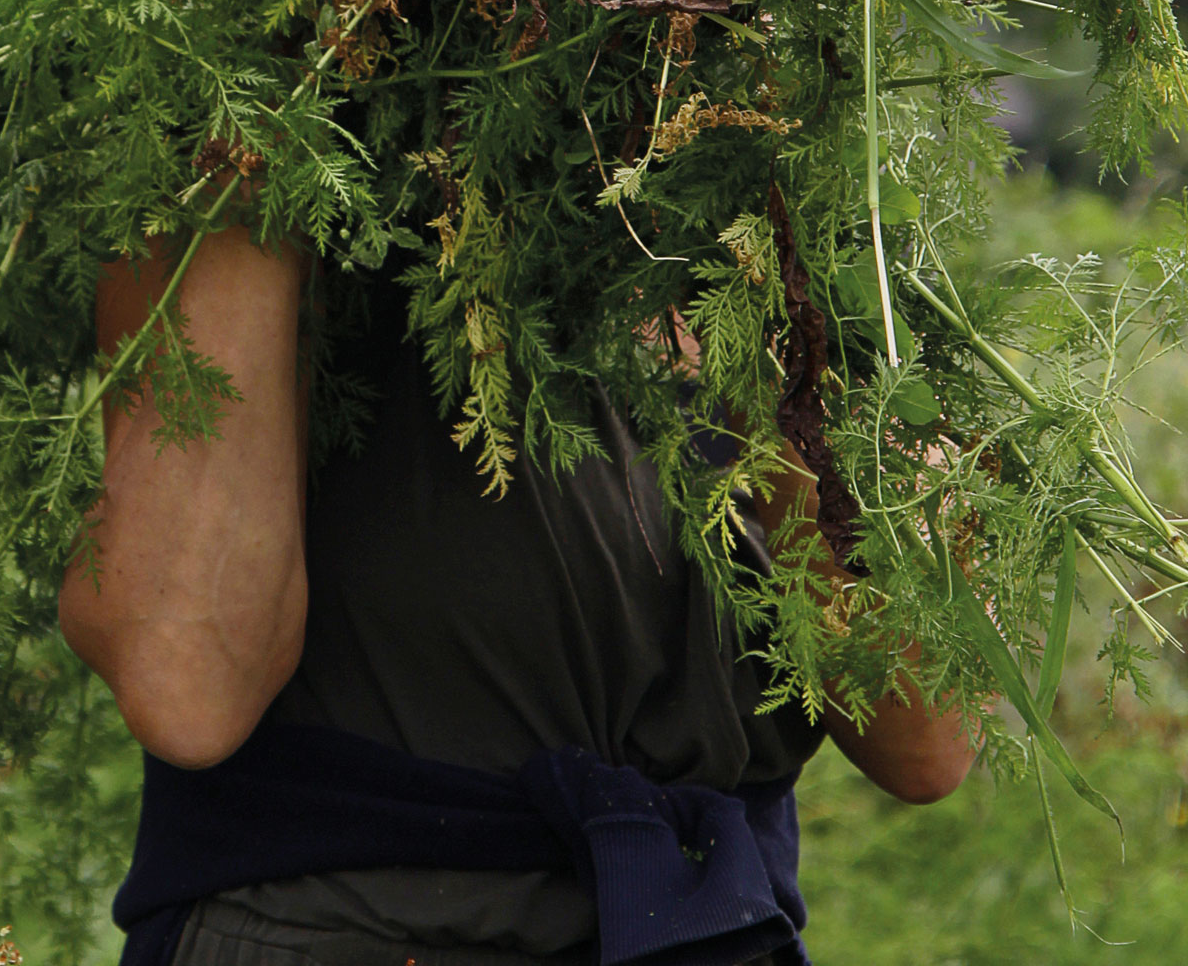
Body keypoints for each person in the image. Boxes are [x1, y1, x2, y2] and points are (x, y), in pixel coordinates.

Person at [60, 220, 977, 966]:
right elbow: (184, 685)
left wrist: (772, 288)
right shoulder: (279, 164)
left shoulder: (786, 195)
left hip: (700, 938)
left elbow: (922, 739)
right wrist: (252, 154)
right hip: (345, 934)